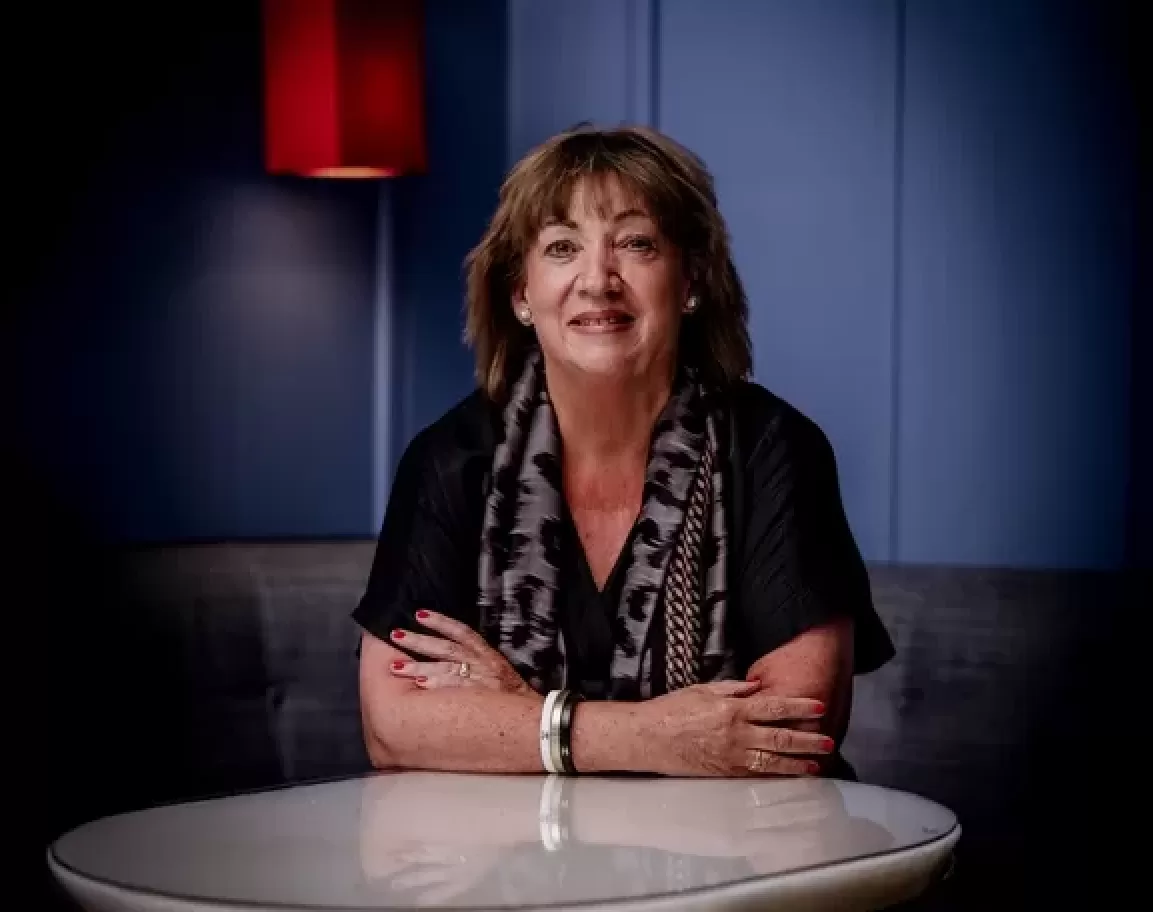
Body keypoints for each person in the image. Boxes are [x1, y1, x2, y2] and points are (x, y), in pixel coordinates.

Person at [355, 125, 893, 778]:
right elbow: (394, 725)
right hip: (519, 867)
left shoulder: (775, 449)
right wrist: (646, 735)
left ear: (690, 278)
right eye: (561, 247)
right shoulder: (450, 460)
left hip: (743, 863)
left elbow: (792, 729)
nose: (597, 280)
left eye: (636, 243)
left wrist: (518, 716)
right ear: (522, 294)